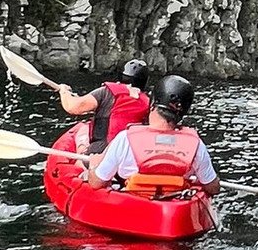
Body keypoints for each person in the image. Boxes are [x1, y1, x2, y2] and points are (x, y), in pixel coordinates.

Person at [89, 74, 220, 197]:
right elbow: (213, 188)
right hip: (174, 207)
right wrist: (198, 180)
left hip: (132, 204)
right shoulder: (196, 145)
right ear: (183, 112)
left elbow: (96, 183)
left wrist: (94, 165)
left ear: (152, 105)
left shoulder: (125, 139)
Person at [59, 59, 150, 158]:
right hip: (131, 155)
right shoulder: (148, 102)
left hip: (101, 152)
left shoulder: (106, 92)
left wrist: (63, 91)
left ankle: (81, 156)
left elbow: (72, 107)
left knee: (82, 130)